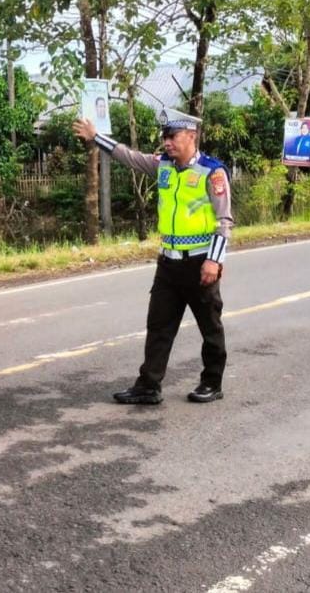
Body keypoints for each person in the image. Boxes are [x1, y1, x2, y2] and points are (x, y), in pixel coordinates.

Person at [72, 108, 233, 405]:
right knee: (159, 326)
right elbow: (127, 155)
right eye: (164, 137)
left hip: (200, 263)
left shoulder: (212, 172)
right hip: (168, 264)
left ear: (191, 136)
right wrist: (96, 138)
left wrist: (214, 260)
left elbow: (224, 221)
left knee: (210, 327)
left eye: (172, 136)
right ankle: (148, 385)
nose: (167, 142)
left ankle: (212, 382)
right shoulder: (162, 166)